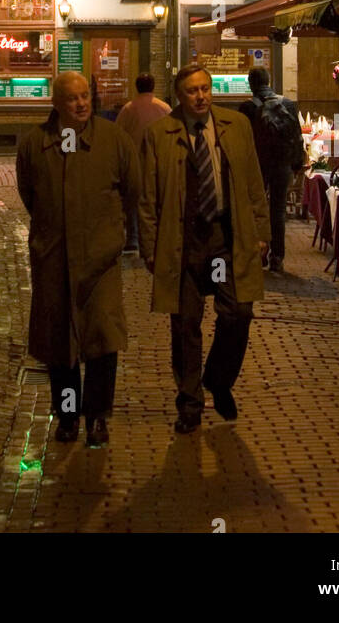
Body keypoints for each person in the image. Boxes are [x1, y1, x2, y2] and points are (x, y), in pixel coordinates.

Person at [139, 65, 270, 433]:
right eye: (192, 91)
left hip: (224, 242)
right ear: (179, 97)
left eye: (205, 89)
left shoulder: (235, 126)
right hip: (183, 244)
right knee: (185, 326)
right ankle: (190, 404)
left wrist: (262, 231)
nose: (201, 97)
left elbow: (253, 181)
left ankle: (218, 379)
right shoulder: (160, 134)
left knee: (237, 312)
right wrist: (149, 247)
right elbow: (147, 198)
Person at [16, 71, 140, 448]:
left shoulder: (113, 140)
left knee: (102, 342)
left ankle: (97, 418)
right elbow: (30, 195)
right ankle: (67, 417)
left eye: (86, 96)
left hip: (100, 262)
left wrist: (111, 236)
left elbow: (132, 192)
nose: (82, 104)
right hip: (53, 260)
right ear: (56, 103)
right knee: (60, 347)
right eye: (72, 98)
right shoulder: (35, 144)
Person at [239, 66, 305, 277]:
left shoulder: (248, 107)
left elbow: (243, 140)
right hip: (282, 164)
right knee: (278, 210)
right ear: (269, 81)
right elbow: (297, 134)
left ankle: (259, 253)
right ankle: (278, 257)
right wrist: (296, 163)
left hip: (258, 164)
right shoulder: (286, 103)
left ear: (251, 83)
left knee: (255, 209)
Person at [115, 74, 171, 252]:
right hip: (160, 161)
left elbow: (118, 135)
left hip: (135, 162)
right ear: (153, 87)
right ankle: (158, 236)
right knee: (158, 199)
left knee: (133, 200)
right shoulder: (164, 108)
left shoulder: (128, 109)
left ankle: (133, 238)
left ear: (137, 86)